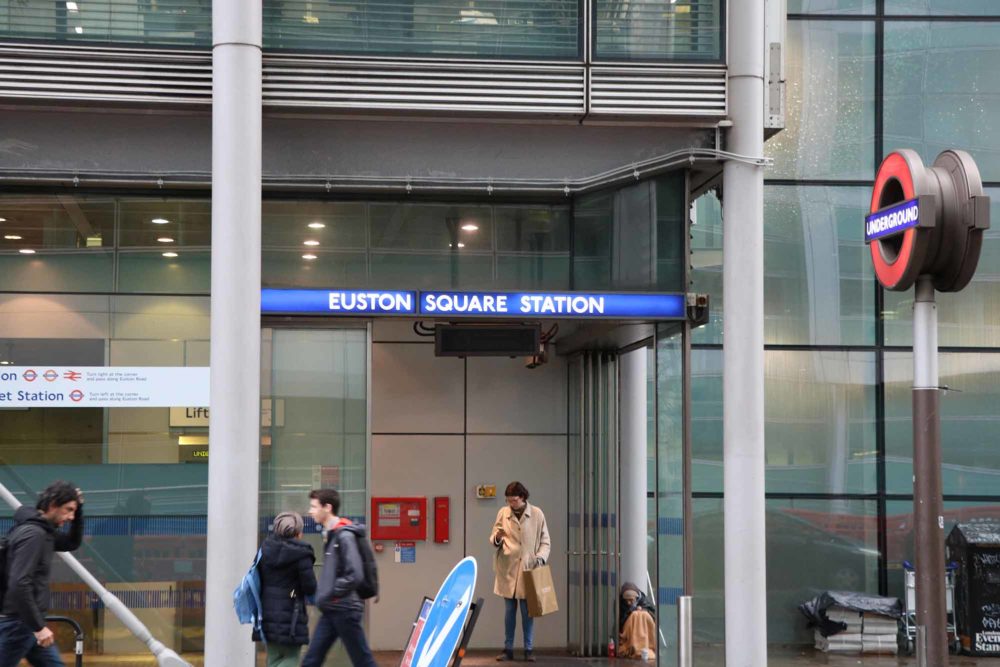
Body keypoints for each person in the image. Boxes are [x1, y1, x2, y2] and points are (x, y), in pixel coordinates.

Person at [0, 481, 84, 667]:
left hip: (26, 622)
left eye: (73, 511)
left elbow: (71, 543)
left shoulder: (44, 532)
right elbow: (19, 583)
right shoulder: (34, 535)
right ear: (53, 505)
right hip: (19, 624)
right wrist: (38, 627)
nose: (71, 516)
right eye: (68, 509)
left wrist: (79, 512)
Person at [301, 488, 376, 667]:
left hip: (345, 609)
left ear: (327, 507)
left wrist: (332, 592)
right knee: (312, 659)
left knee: (363, 661)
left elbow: (355, 574)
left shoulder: (344, 536)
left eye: (314, 506)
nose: (310, 511)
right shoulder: (332, 534)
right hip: (333, 608)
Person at [490, 481, 551, 662]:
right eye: (509, 500)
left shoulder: (537, 514)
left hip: (528, 568)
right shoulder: (503, 513)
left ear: (523, 497)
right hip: (507, 568)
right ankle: (508, 648)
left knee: (527, 612)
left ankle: (528, 649)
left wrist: (539, 558)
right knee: (509, 611)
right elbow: (494, 535)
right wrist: (497, 538)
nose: (511, 504)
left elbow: (545, 541)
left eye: (514, 500)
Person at [254, 511, 317, 667]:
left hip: (267, 612)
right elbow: (310, 587)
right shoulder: (302, 553)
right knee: (291, 657)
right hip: (292, 615)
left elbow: (257, 579)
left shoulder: (265, 549)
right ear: (298, 532)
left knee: (273, 658)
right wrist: (295, 591)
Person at [617, 582, 657, 661]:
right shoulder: (621, 602)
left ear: (636, 598)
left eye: (631, 600)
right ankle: (635, 645)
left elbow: (653, 614)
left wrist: (643, 610)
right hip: (630, 625)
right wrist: (631, 611)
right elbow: (621, 619)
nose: (628, 603)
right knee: (635, 615)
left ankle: (645, 644)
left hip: (644, 625)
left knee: (642, 614)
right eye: (626, 600)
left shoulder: (644, 600)